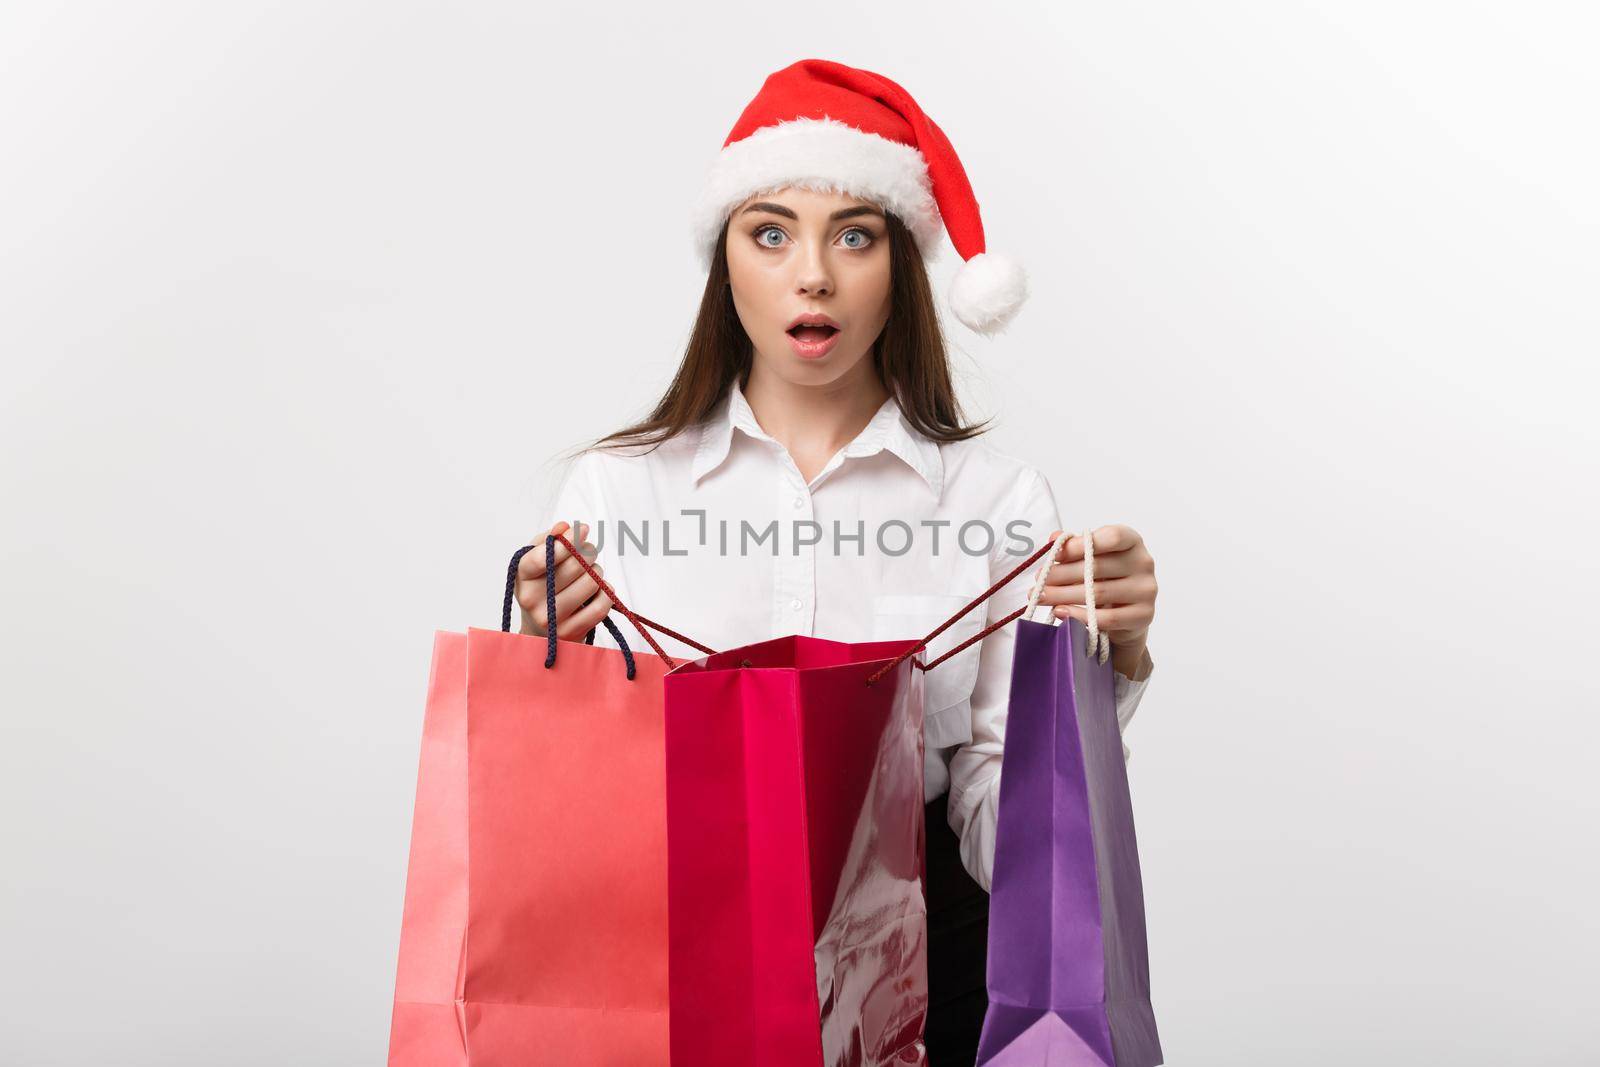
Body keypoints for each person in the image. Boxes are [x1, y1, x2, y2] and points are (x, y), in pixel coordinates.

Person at [518, 59, 1159, 1065]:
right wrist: (544, 669)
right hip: (681, 992)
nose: (811, 273)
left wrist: (1098, 666)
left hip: (932, 996)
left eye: (853, 235)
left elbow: (1009, 841)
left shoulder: (996, 502)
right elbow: (578, 833)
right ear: (723, 260)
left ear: (899, 264)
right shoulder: (617, 495)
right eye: (769, 232)